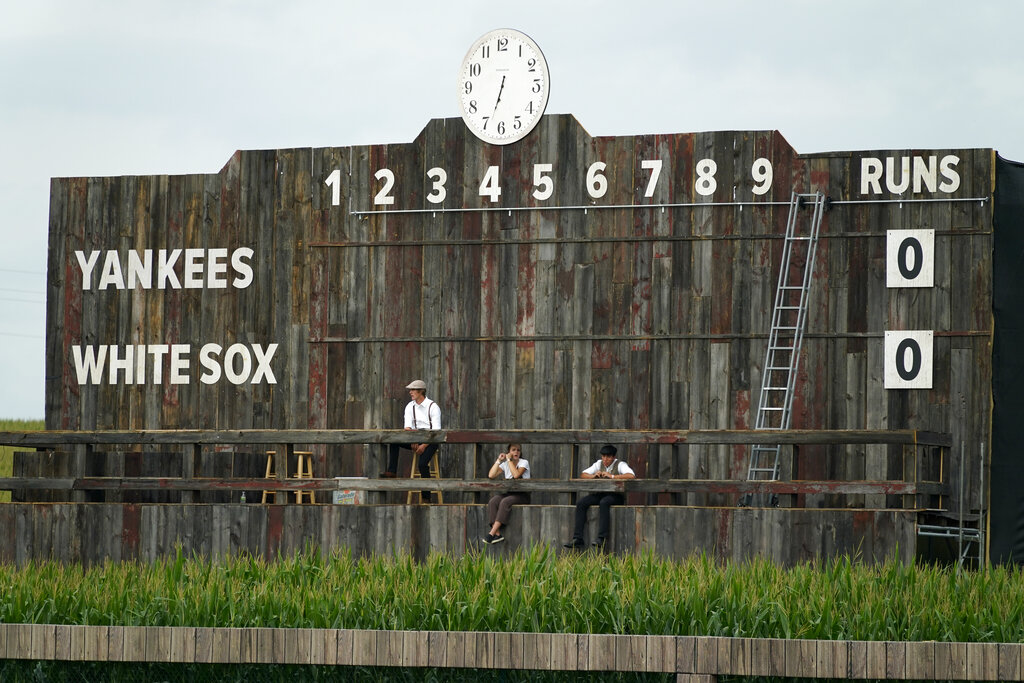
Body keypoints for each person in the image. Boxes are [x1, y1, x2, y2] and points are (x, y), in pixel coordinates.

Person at [563, 444, 635, 550]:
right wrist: (594, 476)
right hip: (601, 494)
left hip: (616, 495)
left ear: (613, 457)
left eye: (608, 457)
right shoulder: (598, 464)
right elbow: (583, 474)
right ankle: (577, 538)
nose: (605, 459)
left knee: (604, 503)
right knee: (581, 503)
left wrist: (612, 476)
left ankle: (602, 538)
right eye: (603, 456)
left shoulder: (620, 464)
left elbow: (631, 475)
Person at [380, 379, 442, 502]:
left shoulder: (433, 407)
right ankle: (392, 471)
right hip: (414, 437)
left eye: (413, 390)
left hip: (431, 440)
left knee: (423, 464)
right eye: (410, 390)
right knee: (394, 441)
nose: (410, 392)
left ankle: (426, 497)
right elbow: (407, 428)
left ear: (421, 391)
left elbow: (436, 432)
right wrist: (413, 440)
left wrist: (423, 445)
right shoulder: (410, 406)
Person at [482, 444, 530, 544]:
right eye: (513, 450)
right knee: (493, 501)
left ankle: (491, 533)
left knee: (505, 501)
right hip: (510, 493)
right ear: (509, 452)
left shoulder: (524, 462)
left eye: (518, 450)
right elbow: (491, 475)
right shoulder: (505, 464)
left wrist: (509, 461)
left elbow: (516, 475)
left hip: (523, 495)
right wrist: (499, 460)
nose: (516, 452)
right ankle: (498, 534)